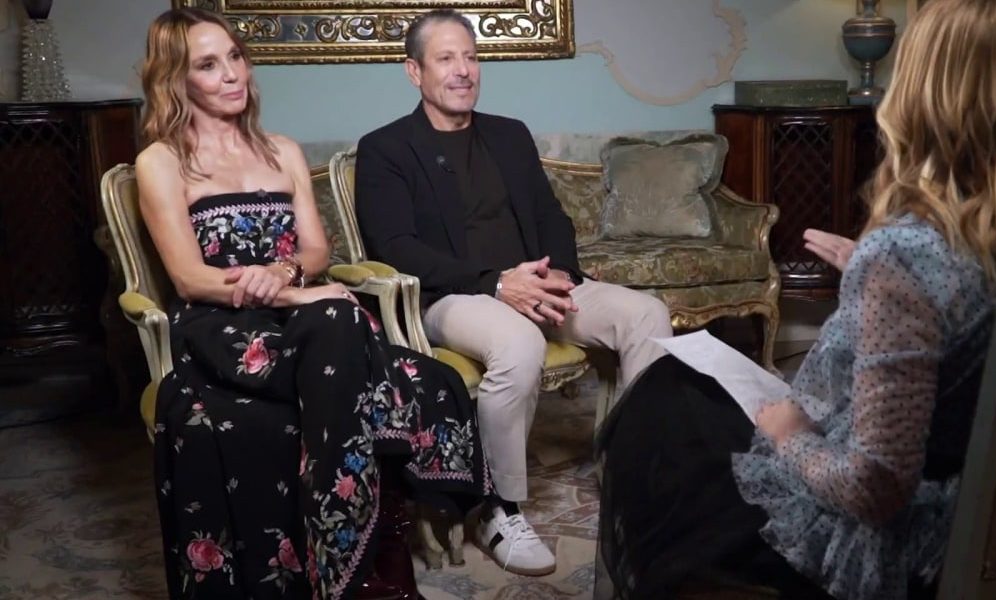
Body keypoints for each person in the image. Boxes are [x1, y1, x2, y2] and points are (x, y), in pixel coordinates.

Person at [596, 0, 996, 598]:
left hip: (881, 550)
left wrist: (788, 435)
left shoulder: (908, 255)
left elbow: (874, 489)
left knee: (663, 405)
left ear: (925, 95)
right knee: (686, 393)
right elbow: (958, 307)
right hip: (967, 508)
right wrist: (871, 272)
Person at [136, 8, 489, 598]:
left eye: (235, 56)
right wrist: (298, 290)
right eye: (208, 65)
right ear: (176, 78)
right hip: (222, 324)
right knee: (338, 316)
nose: (232, 74)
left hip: (303, 320)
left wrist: (285, 273)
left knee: (418, 372)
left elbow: (317, 249)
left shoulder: (282, 150)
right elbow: (190, 278)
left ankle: (346, 532)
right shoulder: (161, 161)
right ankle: (348, 546)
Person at [353, 9, 673, 576]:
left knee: (646, 315)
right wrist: (498, 283)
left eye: (471, 57)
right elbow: (396, 247)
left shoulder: (509, 134)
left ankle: (635, 473)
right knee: (519, 342)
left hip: (537, 284)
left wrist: (560, 274)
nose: (463, 70)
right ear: (414, 71)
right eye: (446, 59)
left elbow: (550, 216)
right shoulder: (386, 148)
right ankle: (498, 508)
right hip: (453, 297)